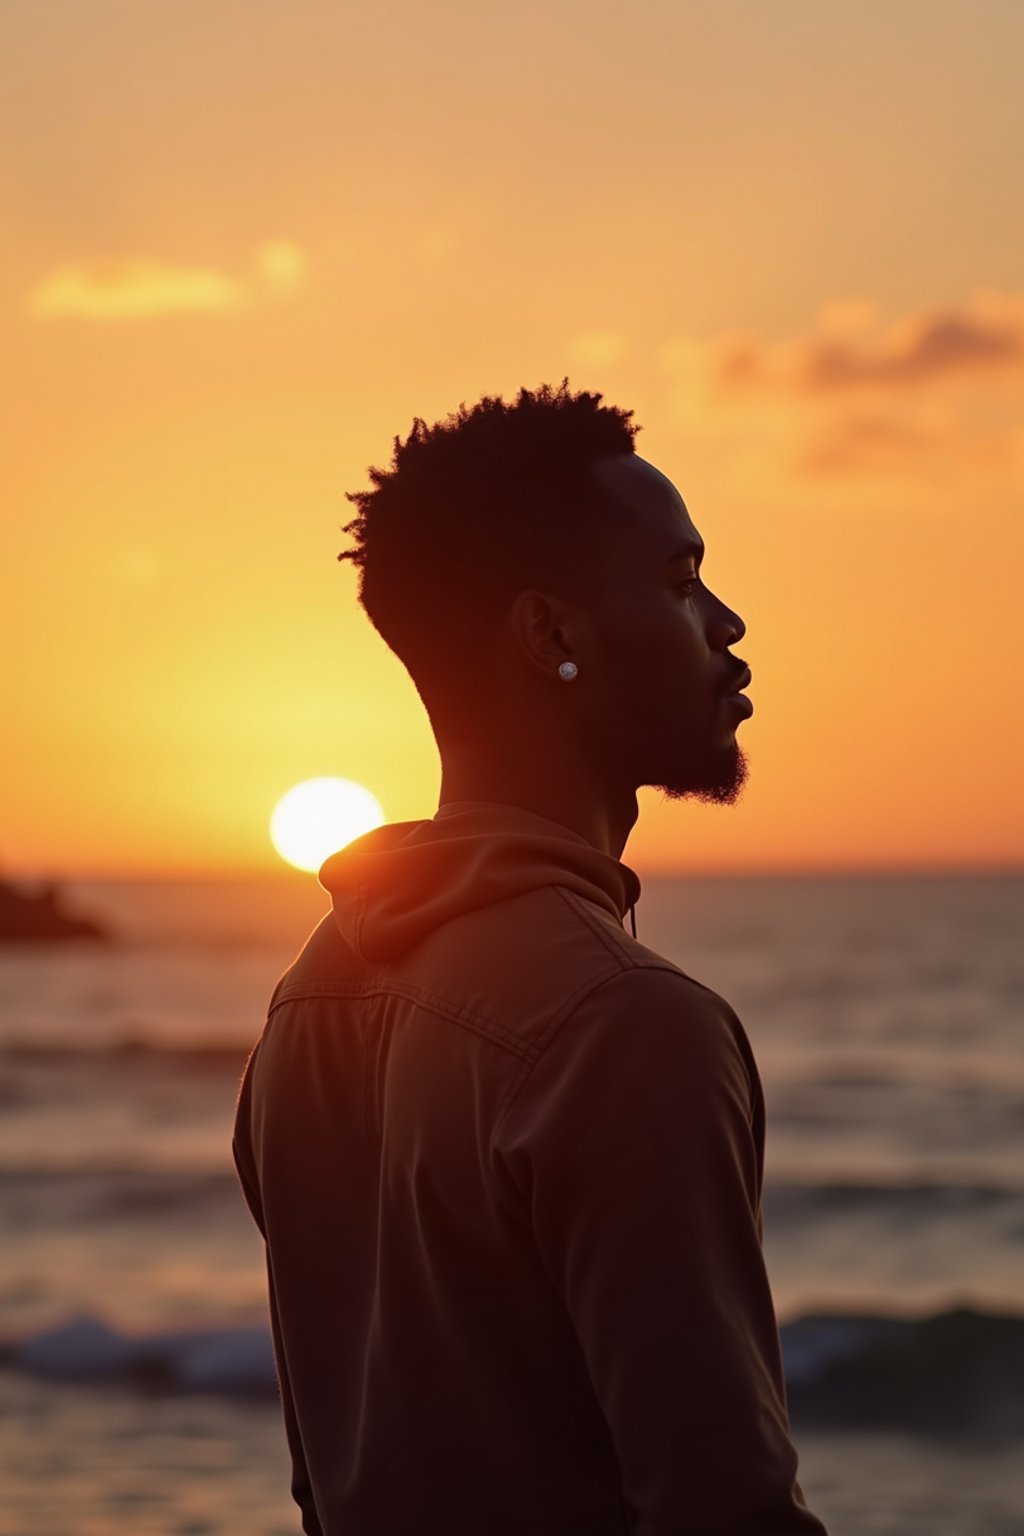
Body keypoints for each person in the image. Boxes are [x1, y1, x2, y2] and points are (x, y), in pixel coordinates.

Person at [233, 379, 829, 1535]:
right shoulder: (624, 1024)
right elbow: (724, 1510)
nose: (726, 624)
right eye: (678, 582)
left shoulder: (307, 1001)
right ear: (551, 633)